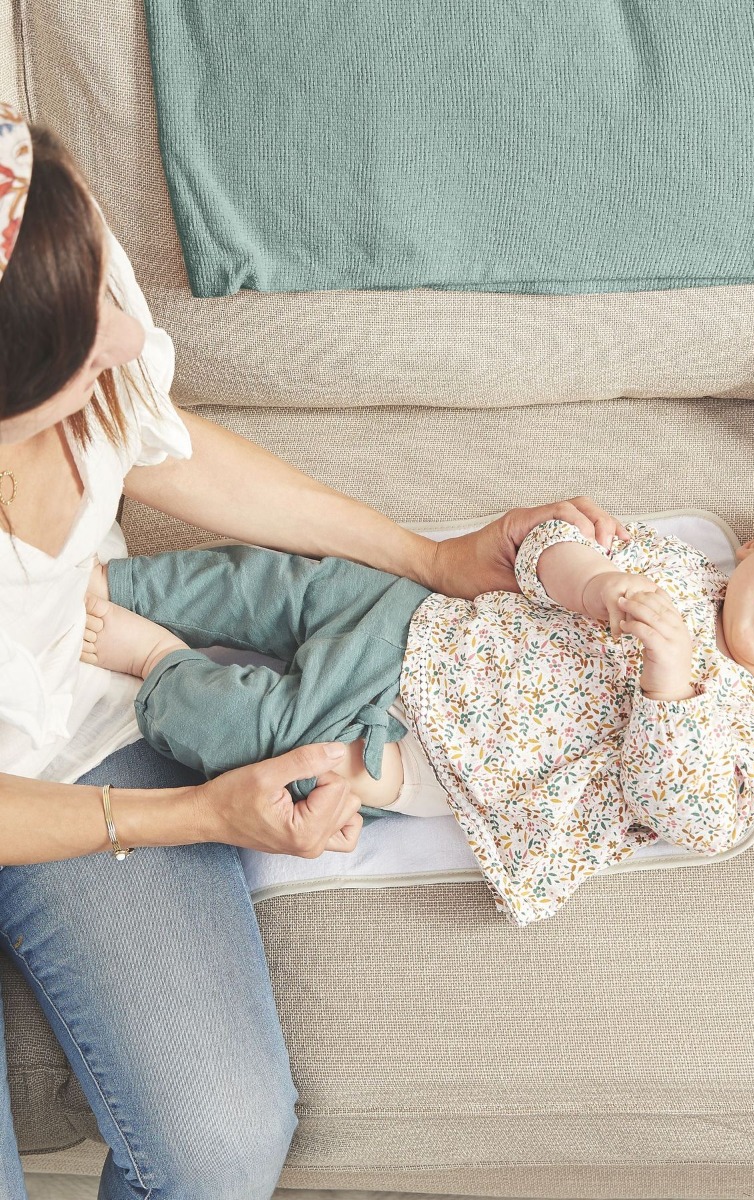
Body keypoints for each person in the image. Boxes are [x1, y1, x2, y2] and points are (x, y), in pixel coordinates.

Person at [0, 105, 630, 1199]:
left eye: (108, 283)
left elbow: (170, 446)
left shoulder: (55, 259)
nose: (131, 334)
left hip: (85, 730)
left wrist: (427, 557)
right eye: (85, 329)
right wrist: (196, 816)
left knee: (222, 1148)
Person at [81, 490, 754, 928]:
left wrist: (672, 681)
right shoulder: (664, 565)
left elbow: (686, 812)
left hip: (408, 751)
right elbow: (548, 539)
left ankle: (153, 658)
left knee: (262, 741)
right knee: (267, 580)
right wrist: (592, 582)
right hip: (413, 616)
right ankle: (100, 583)